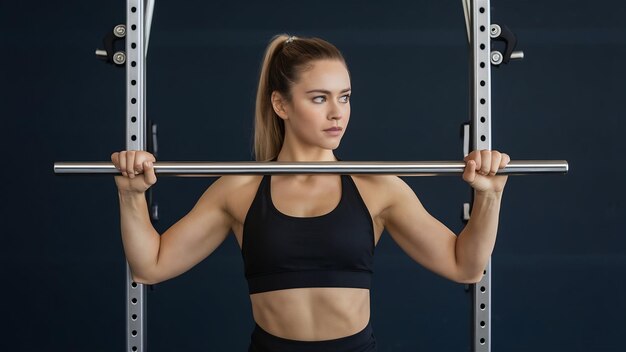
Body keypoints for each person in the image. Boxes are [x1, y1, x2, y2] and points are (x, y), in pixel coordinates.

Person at [111, 34, 510, 352]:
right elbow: (152, 265)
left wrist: (489, 196)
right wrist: (131, 194)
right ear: (280, 105)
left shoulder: (378, 187)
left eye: (345, 97)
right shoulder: (240, 189)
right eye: (319, 98)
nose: (337, 112)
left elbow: (465, 266)